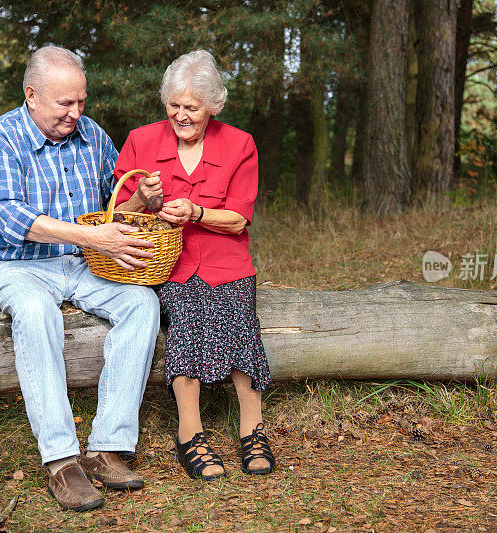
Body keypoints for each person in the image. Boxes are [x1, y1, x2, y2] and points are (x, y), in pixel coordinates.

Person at [0, 46, 162, 511]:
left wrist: (140, 198)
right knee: (36, 311)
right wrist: (93, 237)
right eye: (65, 104)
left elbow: (112, 209)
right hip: (16, 266)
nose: (76, 113)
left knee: (142, 304)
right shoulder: (1, 137)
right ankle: (61, 461)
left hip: (80, 263)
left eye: (81, 101)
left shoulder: (92, 135)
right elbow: (13, 218)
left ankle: (107, 448)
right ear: (32, 95)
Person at [114, 49, 275, 480]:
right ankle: (191, 432)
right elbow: (118, 215)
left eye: (192, 108)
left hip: (227, 258)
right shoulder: (141, 140)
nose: (181, 116)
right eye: (174, 106)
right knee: (186, 314)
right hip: (165, 262)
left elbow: (239, 217)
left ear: (213, 107)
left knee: (238, 312)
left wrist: (197, 213)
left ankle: (252, 429)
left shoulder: (239, 143)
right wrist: (142, 200)